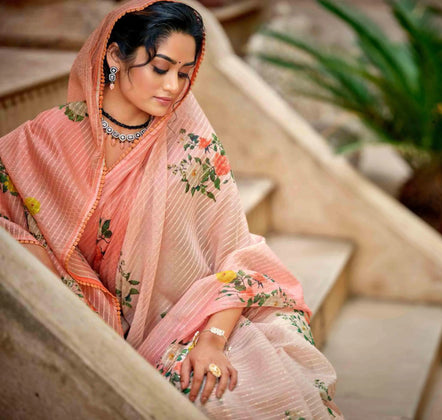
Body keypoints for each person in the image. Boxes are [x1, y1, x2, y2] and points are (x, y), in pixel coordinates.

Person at [0, 1, 341, 418]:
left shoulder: (193, 151)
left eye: (184, 73)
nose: (173, 86)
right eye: (160, 68)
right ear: (114, 55)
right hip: (91, 324)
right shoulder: (45, 139)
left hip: (192, 320)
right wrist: (48, 268)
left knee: (239, 388)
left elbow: (236, 256)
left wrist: (213, 339)